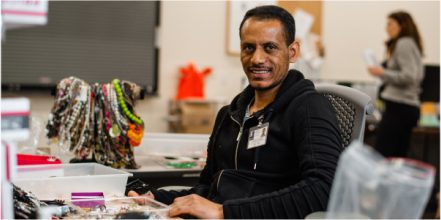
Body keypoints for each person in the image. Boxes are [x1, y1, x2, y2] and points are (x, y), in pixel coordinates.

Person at [129, 5, 342, 218]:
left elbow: (325, 189)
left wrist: (224, 212)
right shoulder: (229, 115)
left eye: (269, 47)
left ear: (292, 51)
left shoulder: (309, 107)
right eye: (249, 47)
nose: (257, 59)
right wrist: (157, 200)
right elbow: (207, 190)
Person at [367, 11, 424, 158]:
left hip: (399, 107)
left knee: (382, 155)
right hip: (405, 107)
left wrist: (382, 72)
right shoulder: (410, 43)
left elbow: (409, 76)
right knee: (396, 155)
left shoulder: (404, 43)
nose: (387, 28)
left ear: (402, 26)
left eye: (390, 24)